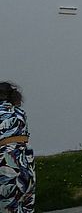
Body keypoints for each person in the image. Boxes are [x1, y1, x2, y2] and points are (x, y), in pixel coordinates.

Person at [0, 82, 34, 213]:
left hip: (6, 162)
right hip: (26, 160)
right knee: (25, 203)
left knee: (7, 205)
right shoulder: (20, 113)